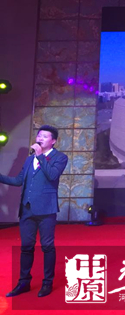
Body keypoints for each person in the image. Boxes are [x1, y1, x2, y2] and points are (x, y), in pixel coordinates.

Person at [0, 125, 68, 298]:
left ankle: (47, 283)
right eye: (39, 135)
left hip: (46, 210)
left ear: (53, 141)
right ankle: (23, 282)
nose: (40, 138)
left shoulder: (60, 157)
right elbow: (19, 180)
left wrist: (40, 156)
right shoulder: (30, 159)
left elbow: (52, 175)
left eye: (45, 136)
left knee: (47, 246)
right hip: (27, 209)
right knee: (26, 247)